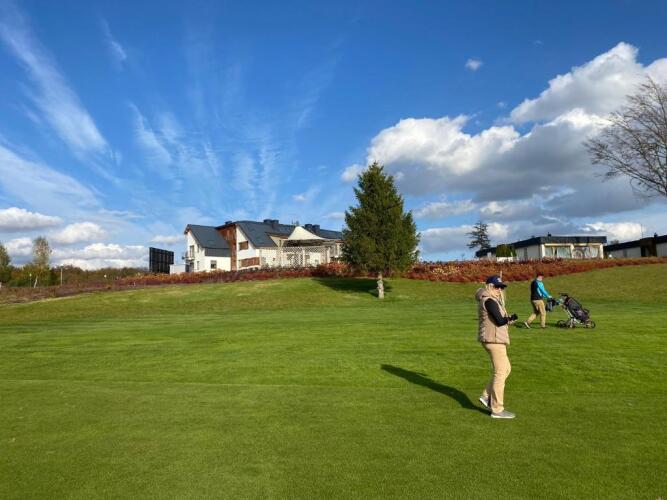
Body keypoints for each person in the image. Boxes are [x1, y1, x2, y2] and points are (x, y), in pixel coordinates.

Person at [476, 275, 518, 419]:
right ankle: (497, 409)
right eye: (496, 287)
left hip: (495, 339)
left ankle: (486, 396)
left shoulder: (491, 300)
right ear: (489, 286)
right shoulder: (489, 301)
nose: (499, 290)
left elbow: (497, 320)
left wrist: (507, 319)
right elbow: (500, 321)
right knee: (500, 373)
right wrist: (509, 318)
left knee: (506, 369)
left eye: (501, 287)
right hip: (494, 341)